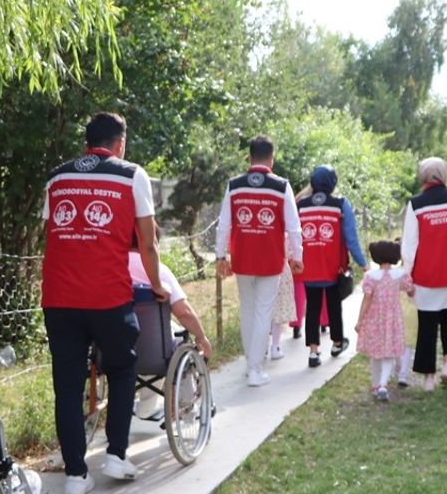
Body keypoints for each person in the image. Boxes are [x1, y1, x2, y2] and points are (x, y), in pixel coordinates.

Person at [41, 112, 168, 494]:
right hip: (108, 297)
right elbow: (147, 243)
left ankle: (76, 476)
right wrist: (159, 285)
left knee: (66, 386)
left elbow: (52, 236)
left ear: (86, 144)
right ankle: (115, 455)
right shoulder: (132, 174)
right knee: (122, 367)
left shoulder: (57, 177)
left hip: (59, 299)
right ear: (120, 144)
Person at [215, 136, 303, 386]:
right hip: (271, 260)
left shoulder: (234, 185)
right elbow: (294, 228)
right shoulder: (281, 186)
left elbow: (224, 225)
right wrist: (297, 256)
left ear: (249, 158)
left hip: (242, 258)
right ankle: (255, 369)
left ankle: (250, 364)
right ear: (271, 159)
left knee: (248, 310)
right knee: (264, 311)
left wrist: (221, 256)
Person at [400, 157, 447, 390]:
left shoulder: (416, 204)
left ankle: (429, 379)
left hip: (428, 274)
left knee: (427, 325)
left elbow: (410, 244)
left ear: (422, 176)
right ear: (444, 175)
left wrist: (407, 274)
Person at [297, 165, 368, 368]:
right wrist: (363, 264)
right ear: (333, 183)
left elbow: (293, 235)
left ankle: (313, 352)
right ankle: (337, 343)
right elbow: (351, 238)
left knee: (312, 308)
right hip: (332, 267)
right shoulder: (340, 204)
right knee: (334, 305)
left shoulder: (301, 205)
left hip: (308, 267)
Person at [128, 228, 213, 358]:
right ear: (153, 241)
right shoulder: (160, 271)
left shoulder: (112, 268)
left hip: (114, 350)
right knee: (182, 338)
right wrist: (201, 337)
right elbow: (185, 313)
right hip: (155, 353)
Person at [356, 241, 412, 401]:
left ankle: (376, 384)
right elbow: (409, 289)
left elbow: (367, 299)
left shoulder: (370, 277)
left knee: (375, 352)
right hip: (393, 318)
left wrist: (360, 321)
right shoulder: (400, 275)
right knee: (389, 352)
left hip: (374, 318)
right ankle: (382, 384)